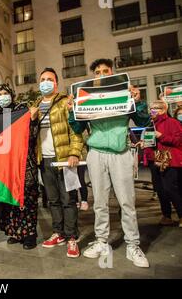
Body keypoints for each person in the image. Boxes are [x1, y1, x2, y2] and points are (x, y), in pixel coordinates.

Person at [69, 58, 151, 268]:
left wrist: (138, 101)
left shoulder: (124, 93)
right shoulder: (86, 97)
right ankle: (102, 241)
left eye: (106, 71)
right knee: (100, 203)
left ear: (113, 73)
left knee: (126, 201)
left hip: (120, 152)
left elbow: (143, 121)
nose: (102, 74)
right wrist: (73, 110)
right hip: (96, 153)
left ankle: (133, 244)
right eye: (98, 72)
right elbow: (78, 129)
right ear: (94, 77)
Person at [29, 68, 84, 258]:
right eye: (42, 79)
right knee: (52, 200)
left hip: (64, 159)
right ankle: (58, 232)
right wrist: (32, 120)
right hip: (44, 160)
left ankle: (71, 237)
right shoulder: (34, 106)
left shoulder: (64, 103)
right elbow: (30, 135)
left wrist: (75, 153)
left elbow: (75, 130)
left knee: (68, 199)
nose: (45, 82)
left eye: (49, 79)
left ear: (56, 83)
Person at [0, 84, 40, 250]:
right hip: (6, 165)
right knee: (10, 200)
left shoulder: (22, 110)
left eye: (5, 93)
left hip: (24, 162)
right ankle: (15, 232)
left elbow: (32, 135)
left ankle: (29, 234)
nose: (2, 96)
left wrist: (33, 119)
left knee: (27, 198)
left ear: (12, 95)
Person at [147, 100, 182, 228]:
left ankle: (181, 214)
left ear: (163, 110)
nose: (151, 111)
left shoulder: (173, 122)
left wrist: (162, 136)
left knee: (170, 188)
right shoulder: (151, 124)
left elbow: (179, 140)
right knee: (161, 190)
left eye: (154, 109)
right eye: (150, 108)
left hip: (171, 160)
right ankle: (166, 216)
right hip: (155, 160)